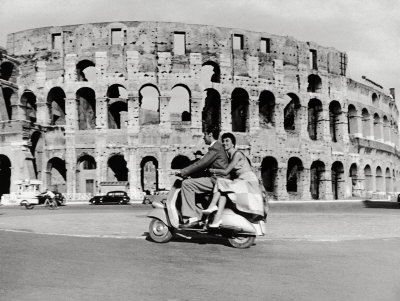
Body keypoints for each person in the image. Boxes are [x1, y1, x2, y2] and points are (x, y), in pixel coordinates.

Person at [203, 132, 264, 227]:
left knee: (220, 182)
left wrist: (211, 170)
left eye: (227, 141)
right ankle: (217, 218)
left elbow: (226, 171)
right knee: (223, 190)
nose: (224, 143)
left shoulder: (237, 154)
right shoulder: (230, 156)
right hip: (241, 180)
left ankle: (212, 206)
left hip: (248, 181)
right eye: (223, 141)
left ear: (233, 144)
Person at [178, 126, 229, 227]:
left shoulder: (216, 147)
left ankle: (191, 218)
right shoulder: (217, 147)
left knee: (187, 184)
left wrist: (183, 172)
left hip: (216, 180)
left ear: (210, 134)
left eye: (204, 135)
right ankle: (200, 217)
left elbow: (201, 163)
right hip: (218, 179)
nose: (203, 137)